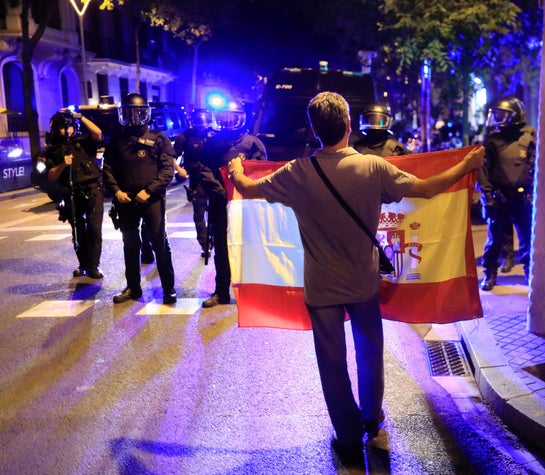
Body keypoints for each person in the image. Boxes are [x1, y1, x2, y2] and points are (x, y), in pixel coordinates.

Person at [226, 91, 485, 465]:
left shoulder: (297, 172)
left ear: (314, 130)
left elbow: (248, 189)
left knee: (331, 364)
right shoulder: (373, 168)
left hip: (321, 288)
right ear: (349, 126)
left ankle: (347, 437)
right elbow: (427, 189)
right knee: (369, 353)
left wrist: (236, 169)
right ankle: (371, 418)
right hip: (363, 285)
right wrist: (466, 164)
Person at [102, 92, 177, 304]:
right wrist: (116, 191)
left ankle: (168, 288)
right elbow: (107, 170)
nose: (134, 118)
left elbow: (166, 171)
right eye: (130, 113)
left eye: (138, 113)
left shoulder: (158, 139)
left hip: (151, 200)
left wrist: (150, 190)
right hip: (125, 200)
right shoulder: (117, 141)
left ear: (146, 113)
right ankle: (133, 288)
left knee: (159, 243)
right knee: (130, 245)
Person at [199, 103, 267, 308]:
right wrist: (217, 190)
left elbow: (261, 170)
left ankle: (251, 292)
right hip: (220, 203)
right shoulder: (212, 143)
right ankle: (221, 292)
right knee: (221, 248)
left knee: (249, 248)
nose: (228, 123)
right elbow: (202, 168)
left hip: (245, 205)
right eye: (224, 118)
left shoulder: (253, 143)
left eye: (233, 118)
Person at [477, 97, 535, 291]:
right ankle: (490, 273)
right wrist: (488, 196)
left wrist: (532, 192)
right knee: (494, 237)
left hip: (522, 196)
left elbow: (536, 166)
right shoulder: (493, 140)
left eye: (502, 114)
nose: (497, 118)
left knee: (527, 236)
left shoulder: (529, 137)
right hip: (499, 196)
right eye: (496, 114)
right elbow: (483, 170)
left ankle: (529, 271)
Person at [41, 108, 104, 279]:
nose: (67, 130)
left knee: (94, 229)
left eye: (69, 126)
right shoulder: (52, 150)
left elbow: (98, 133)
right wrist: (62, 164)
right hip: (71, 192)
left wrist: (80, 116)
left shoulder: (83, 141)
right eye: (63, 127)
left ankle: (93, 266)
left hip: (92, 189)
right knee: (78, 231)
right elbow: (51, 175)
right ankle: (83, 264)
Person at [173, 108, 214, 258]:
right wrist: (179, 168)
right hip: (196, 180)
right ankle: (205, 244)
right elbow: (172, 156)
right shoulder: (184, 137)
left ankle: (215, 238)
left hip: (214, 178)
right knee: (199, 214)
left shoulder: (213, 134)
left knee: (217, 212)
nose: (201, 125)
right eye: (198, 121)